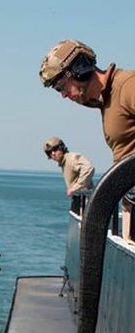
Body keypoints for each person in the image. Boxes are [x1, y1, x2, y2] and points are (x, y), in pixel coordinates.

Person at [40, 40, 135, 235]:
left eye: (61, 87)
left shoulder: (127, 86)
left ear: (78, 70)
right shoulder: (106, 100)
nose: (63, 95)